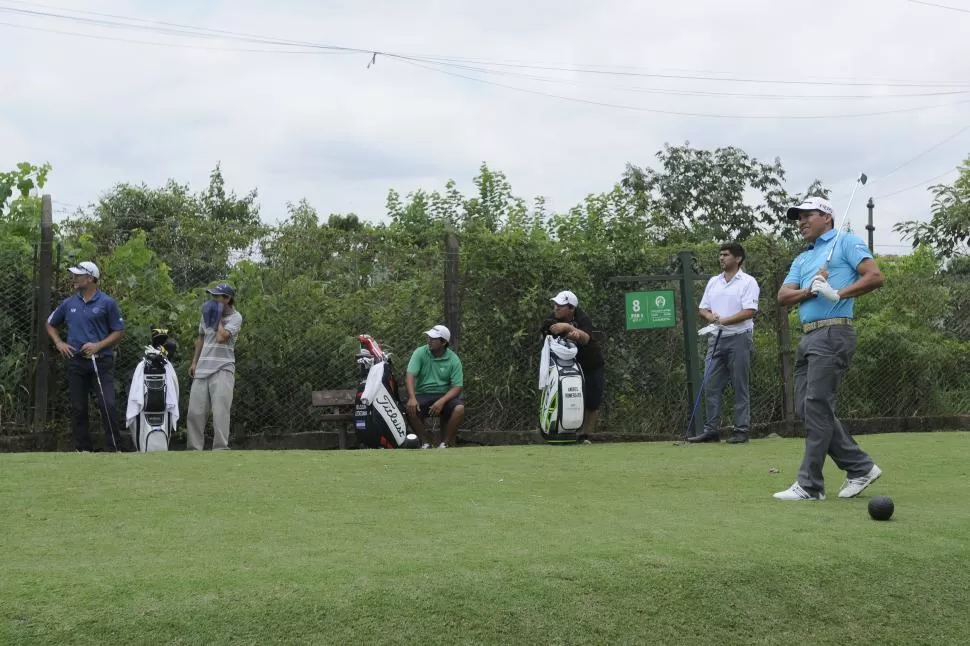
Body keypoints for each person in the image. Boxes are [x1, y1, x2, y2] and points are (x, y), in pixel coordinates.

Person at [774, 196, 885, 501]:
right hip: (808, 336)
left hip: (834, 331)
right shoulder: (803, 258)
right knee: (810, 408)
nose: (801, 222)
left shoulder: (846, 242)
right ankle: (860, 467)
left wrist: (837, 293)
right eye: (798, 218)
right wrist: (811, 290)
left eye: (808, 215)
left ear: (827, 216)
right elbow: (783, 296)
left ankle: (809, 485)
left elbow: (875, 277)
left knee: (817, 406)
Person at [45, 261, 126, 452]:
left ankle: (114, 447)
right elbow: (50, 323)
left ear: (90, 278)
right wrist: (59, 343)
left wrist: (98, 345)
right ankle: (83, 449)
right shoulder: (68, 303)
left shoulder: (107, 303)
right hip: (76, 362)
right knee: (79, 407)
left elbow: (119, 331)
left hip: (101, 361)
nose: (74, 278)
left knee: (108, 404)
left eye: (78, 275)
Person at [689, 242, 760, 444]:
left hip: (739, 337)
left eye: (726, 255)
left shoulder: (748, 282)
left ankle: (741, 430)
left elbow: (749, 311)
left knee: (739, 384)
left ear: (738, 259)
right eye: (720, 255)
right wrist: (711, 317)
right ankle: (711, 430)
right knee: (710, 383)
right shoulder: (714, 281)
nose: (721, 258)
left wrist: (725, 320)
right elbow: (703, 308)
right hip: (716, 338)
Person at [540, 290, 605, 442]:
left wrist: (568, 328)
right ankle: (555, 431)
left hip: (591, 363)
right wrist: (568, 330)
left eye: (560, 305)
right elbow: (552, 329)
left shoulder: (583, 318)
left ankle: (585, 435)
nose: (556, 308)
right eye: (555, 304)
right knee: (563, 396)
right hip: (564, 366)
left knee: (592, 400)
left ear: (571, 308)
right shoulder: (552, 318)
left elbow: (585, 338)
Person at [187, 283, 243, 451]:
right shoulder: (206, 315)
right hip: (202, 369)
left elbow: (221, 337)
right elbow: (201, 338)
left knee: (220, 412)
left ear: (227, 299)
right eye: (212, 296)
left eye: (217, 297)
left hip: (223, 369)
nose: (213, 300)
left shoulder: (236, 317)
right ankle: (193, 449)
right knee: (195, 413)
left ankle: (220, 449)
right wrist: (194, 362)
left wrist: (217, 318)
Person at [405, 325, 465, 449]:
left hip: (444, 396)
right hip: (422, 394)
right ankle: (426, 443)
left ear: (443, 342)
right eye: (429, 337)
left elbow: (457, 386)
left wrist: (442, 401)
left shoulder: (453, 359)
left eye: (433, 338)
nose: (429, 340)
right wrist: (412, 397)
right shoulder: (420, 352)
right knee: (410, 409)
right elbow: (410, 375)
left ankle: (445, 444)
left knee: (459, 409)